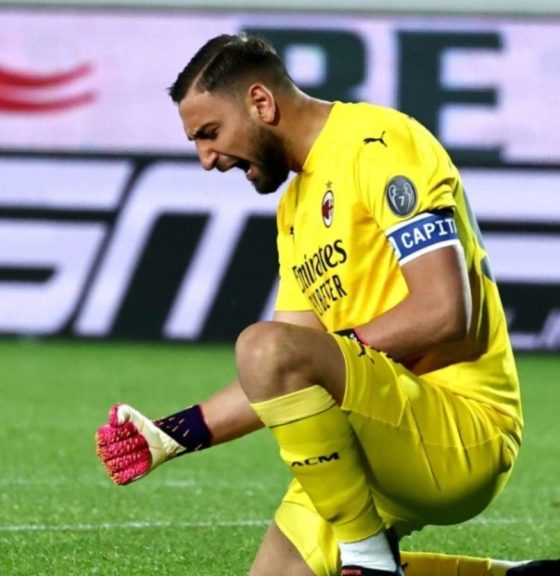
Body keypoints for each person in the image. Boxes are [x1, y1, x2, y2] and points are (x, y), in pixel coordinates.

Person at [96, 34, 558, 576]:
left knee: (266, 344)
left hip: (460, 431)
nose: (206, 159)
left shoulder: (379, 144)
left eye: (210, 133)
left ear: (261, 102)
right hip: (374, 431)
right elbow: (277, 374)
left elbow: (444, 312)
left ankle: (367, 555)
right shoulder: (295, 208)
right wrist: (173, 434)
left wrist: (332, 360)